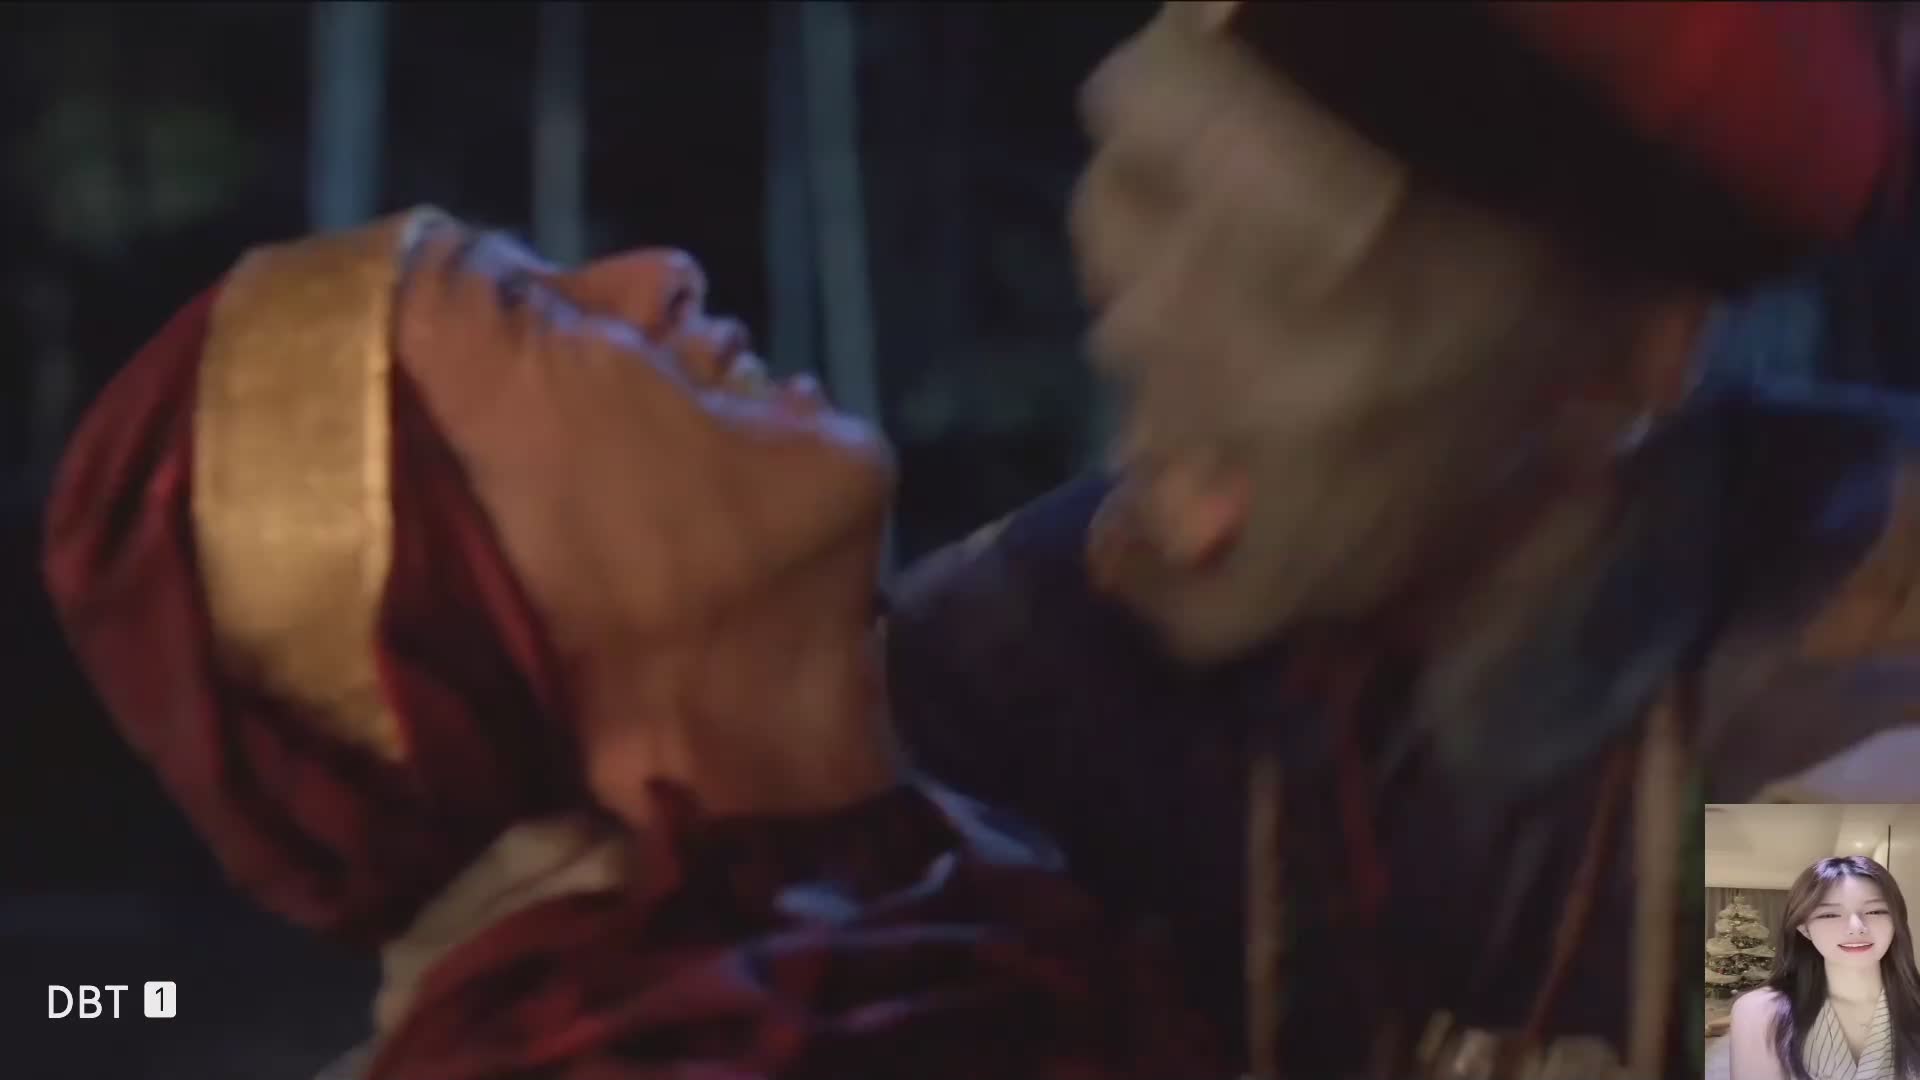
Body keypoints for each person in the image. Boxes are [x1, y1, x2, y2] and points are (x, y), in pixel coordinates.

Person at [885, 3, 1920, 1078]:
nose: (1138, 332)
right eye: (1151, 200)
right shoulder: (1011, 656)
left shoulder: (1840, 667)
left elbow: (1839, 1043)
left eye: (1294, 278)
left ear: (1632, 367)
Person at [41, 210, 1222, 1079]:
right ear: (454, 604)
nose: (661, 273)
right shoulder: (629, 1055)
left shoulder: (1084, 666)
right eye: (526, 310)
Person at [1728, 856, 1920, 1080]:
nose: (1856, 927)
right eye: (1829, 914)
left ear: (1896, 920)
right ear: (1804, 927)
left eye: (1875, 911)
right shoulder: (1761, 1012)